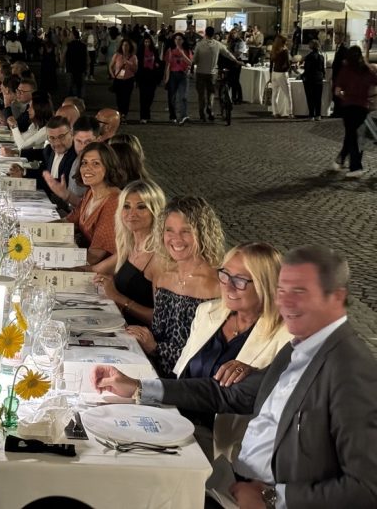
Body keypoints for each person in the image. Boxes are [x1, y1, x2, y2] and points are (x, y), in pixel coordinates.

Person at [92, 245, 377, 509]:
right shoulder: (299, 347)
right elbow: (224, 393)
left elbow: (366, 488)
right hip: (229, 478)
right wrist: (138, 387)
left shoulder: (350, 370)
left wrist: (271, 496)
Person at [172, 242, 292, 461]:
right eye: (225, 275)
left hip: (225, 450)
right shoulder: (207, 313)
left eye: (240, 280)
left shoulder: (287, 336)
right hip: (176, 425)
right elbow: (181, 374)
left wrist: (256, 375)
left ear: (266, 285)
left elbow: (290, 404)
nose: (228, 286)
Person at [126, 196, 224, 377]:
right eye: (169, 230)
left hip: (186, 385)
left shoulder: (218, 285)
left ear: (203, 233)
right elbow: (158, 327)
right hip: (150, 370)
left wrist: (155, 348)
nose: (176, 239)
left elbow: (209, 357)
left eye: (186, 231)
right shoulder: (163, 277)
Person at [92, 179, 166, 327]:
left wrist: (117, 297)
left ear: (155, 211)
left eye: (141, 207)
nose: (132, 214)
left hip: (136, 340)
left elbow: (160, 319)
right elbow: (94, 270)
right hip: (113, 322)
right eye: (126, 207)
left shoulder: (159, 258)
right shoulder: (130, 245)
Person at [64, 142, 125, 266]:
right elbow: (68, 221)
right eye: (84, 163)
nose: (87, 168)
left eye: (96, 163)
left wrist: (56, 262)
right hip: (86, 261)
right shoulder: (91, 193)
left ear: (109, 167)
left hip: (103, 273)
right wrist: (27, 230)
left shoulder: (114, 202)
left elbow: (94, 257)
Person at [333, 45, 377, 178]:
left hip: (348, 106)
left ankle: (355, 166)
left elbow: (337, 91)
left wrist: (344, 96)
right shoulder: (367, 70)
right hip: (362, 107)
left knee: (352, 135)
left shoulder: (345, 70)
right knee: (353, 135)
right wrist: (369, 97)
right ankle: (340, 160)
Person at [195, 26, 241, 122]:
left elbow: (195, 59)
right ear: (213, 34)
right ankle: (210, 108)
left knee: (201, 94)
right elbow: (228, 54)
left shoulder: (199, 45)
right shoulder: (218, 44)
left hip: (200, 72)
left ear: (205, 33)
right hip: (212, 73)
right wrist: (236, 60)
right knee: (211, 92)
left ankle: (202, 114)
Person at [162, 33, 193, 125]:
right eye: (176, 39)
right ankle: (173, 116)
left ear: (183, 41)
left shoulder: (187, 50)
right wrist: (166, 78)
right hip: (172, 75)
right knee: (172, 97)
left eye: (180, 39)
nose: (178, 41)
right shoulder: (170, 50)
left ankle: (183, 116)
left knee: (183, 97)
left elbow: (190, 63)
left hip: (183, 75)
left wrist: (182, 54)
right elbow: (167, 65)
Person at [109, 38, 138, 121]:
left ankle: (124, 114)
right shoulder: (117, 55)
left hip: (128, 80)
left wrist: (129, 63)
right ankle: (120, 112)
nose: (125, 47)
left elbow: (135, 70)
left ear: (130, 47)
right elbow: (111, 66)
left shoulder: (133, 57)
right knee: (119, 98)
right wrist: (112, 74)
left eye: (127, 45)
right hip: (118, 80)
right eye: (123, 45)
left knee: (126, 98)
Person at [136, 35, 162, 124]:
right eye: (145, 42)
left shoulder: (154, 51)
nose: (147, 43)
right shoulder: (140, 52)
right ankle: (143, 116)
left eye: (148, 42)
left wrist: (157, 65)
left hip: (152, 75)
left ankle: (147, 113)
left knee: (150, 96)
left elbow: (158, 61)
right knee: (143, 96)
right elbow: (137, 65)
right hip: (143, 76)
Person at [301, 39, 326, 121]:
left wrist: (302, 76)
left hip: (310, 79)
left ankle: (311, 114)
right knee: (318, 98)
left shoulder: (309, 57)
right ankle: (318, 115)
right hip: (319, 78)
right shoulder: (321, 57)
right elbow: (322, 69)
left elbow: (307, 69)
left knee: (310, 98)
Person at [269, 34, 292, 118]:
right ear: (283, 42)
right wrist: (288, 68)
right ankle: (289, 112)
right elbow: (287, 63)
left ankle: (275, 112)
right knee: (287, 94)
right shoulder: (285, 51)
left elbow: (271, 65)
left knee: (275, 94)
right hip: (281, 73)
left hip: (274, 73)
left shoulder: (273, 50)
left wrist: (270, 75)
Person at [65, 29, 87, 97]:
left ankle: (70, 98)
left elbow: (64, 55)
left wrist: (62, 64)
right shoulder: (83, 45)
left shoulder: (68, 45)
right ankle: (80, 98)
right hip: (81, 67)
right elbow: (87, 56)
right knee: (80, 85)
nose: (69, 36)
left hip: (70, 67)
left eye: (70, 35)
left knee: (70, 85)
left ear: (73, 36)